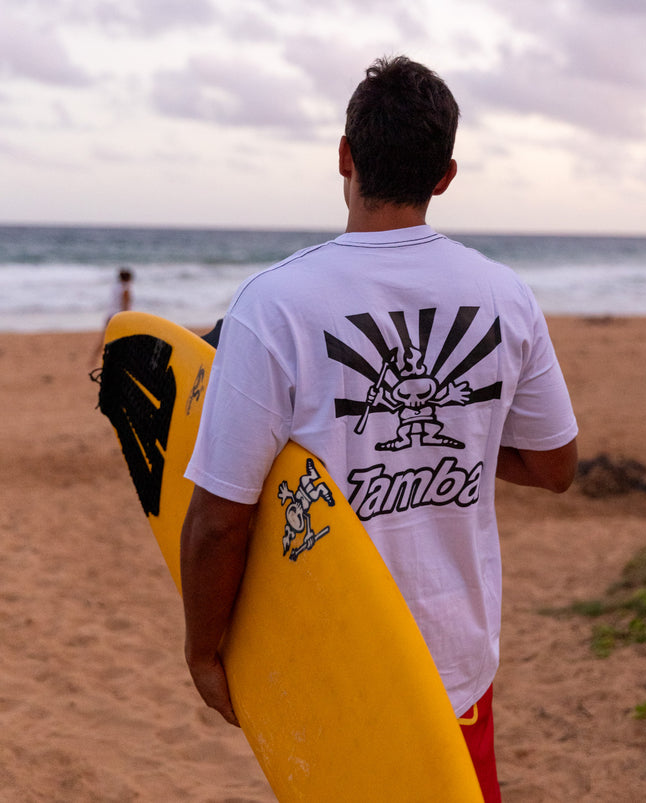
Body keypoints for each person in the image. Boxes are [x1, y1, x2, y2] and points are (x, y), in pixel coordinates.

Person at [180, 56, 578, 801]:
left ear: (344, 156)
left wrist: (204, 652)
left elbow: (219, 519)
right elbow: (554, 464)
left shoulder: (273, 306)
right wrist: (451, 433)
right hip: (454, 665)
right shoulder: (505, 295)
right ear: (446, 175)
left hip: (327, 661)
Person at [90, 268, 134, 365]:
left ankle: (93, 358)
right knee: (121, 341)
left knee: (104, 339)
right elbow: (125, 306)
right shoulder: (126, 289)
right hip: (119, 318)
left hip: (110, 315)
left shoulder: (115, 287)